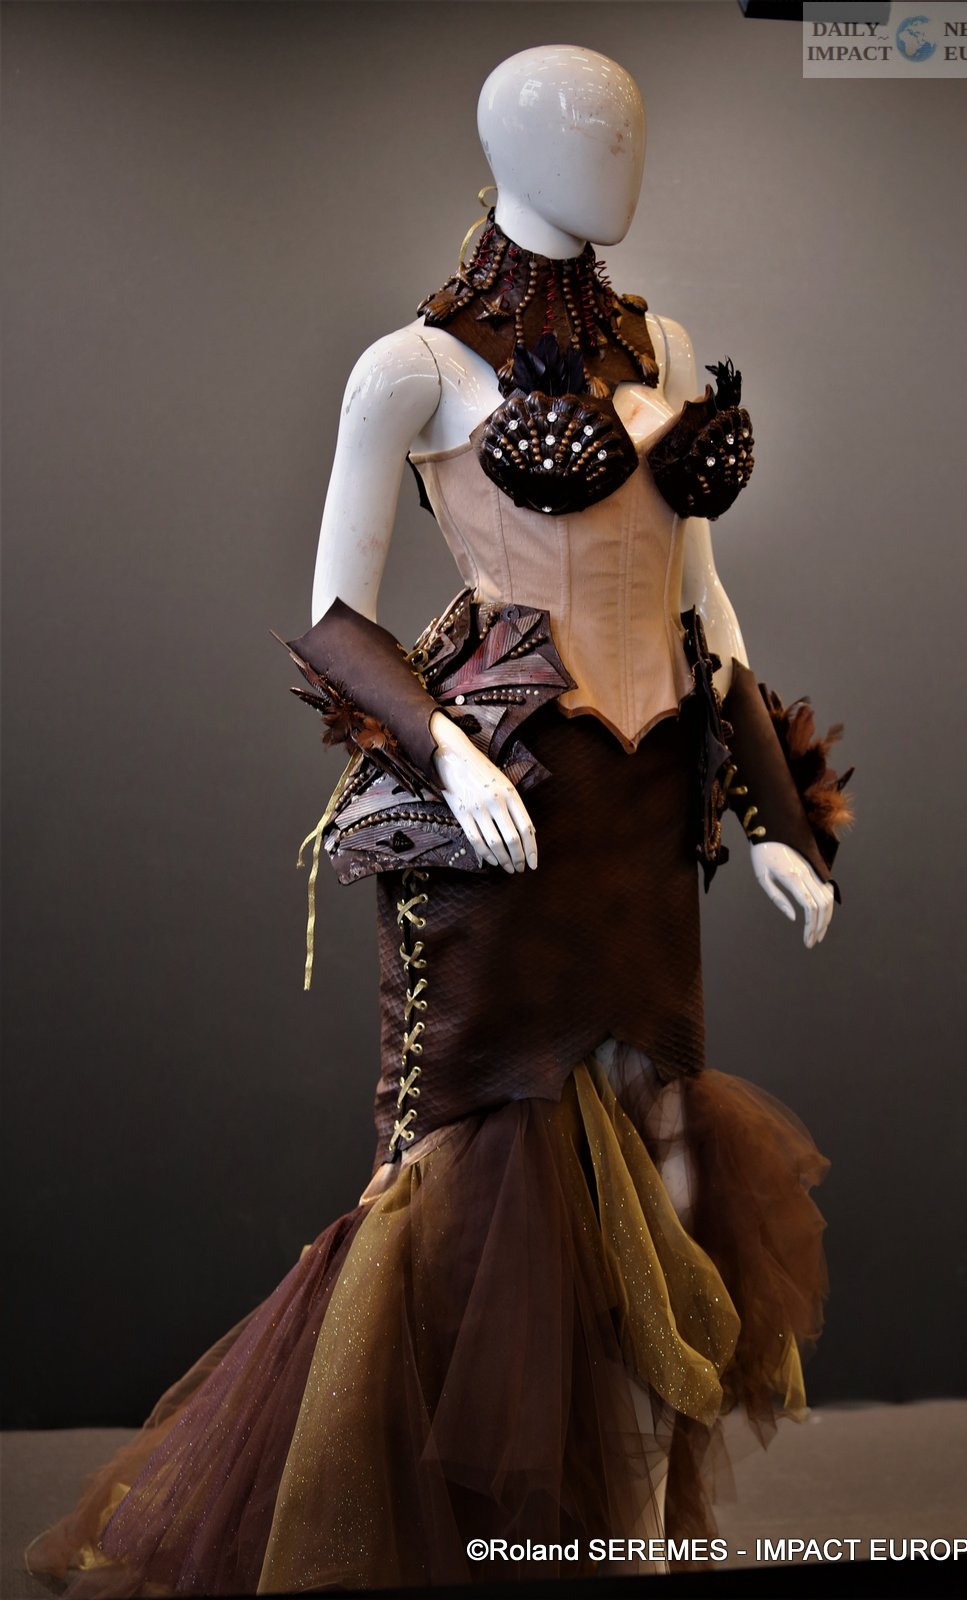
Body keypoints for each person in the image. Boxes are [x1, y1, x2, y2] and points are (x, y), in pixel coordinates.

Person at [25, 45, 850, 1595]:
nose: (616, 152)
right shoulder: (411, 366)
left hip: (641, 822)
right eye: (585, 127)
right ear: (507, 145)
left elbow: (706, 607)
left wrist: (778, 819)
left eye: (629, 127)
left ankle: (626, 1537)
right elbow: (334, 618)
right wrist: (449, 756)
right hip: (500, 808)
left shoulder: (663, 342)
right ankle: (434, 1541)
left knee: (667, 1156)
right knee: (468, 1179)